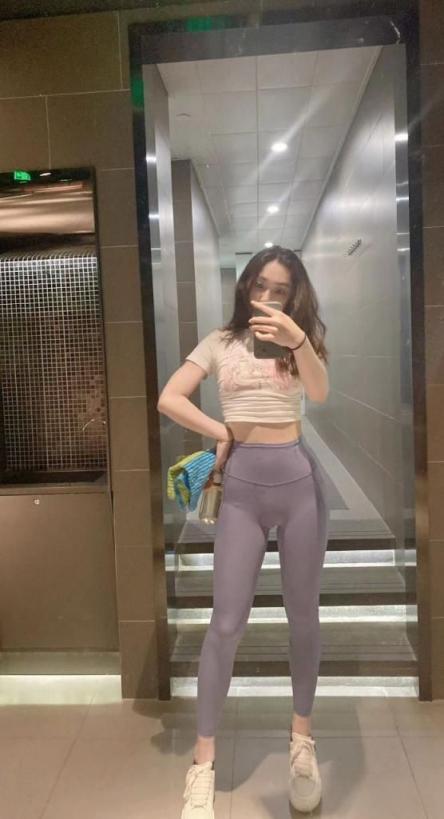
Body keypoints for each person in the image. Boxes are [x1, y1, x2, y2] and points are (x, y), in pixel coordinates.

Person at [157, 245, 330, 817]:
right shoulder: (219, 340)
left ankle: (301, 742)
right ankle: (202, 762)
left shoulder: (300, 340)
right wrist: (221, 431)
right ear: (245, 286)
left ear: (294, 294)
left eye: (280, 289)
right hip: (241, 490)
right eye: (260, 285)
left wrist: (297, 340)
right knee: (226, 623)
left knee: (303, 616)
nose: (268, 297)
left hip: (298, 484)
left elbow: (320, 393)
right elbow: (169, 397)